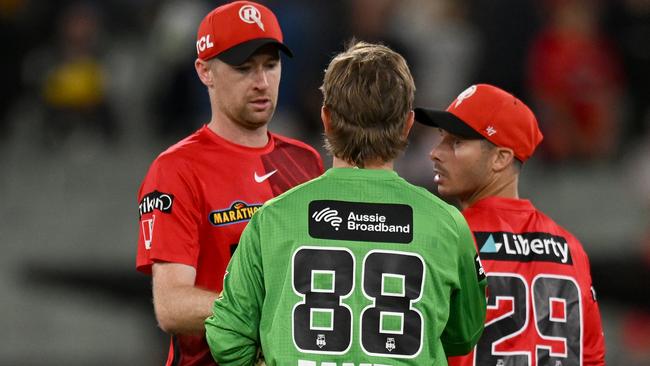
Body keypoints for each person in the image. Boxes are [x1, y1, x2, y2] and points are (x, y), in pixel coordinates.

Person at [205, 41, 487, 365]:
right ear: (408, 124)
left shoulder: (273, 218)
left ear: (326, 118)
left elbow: (226, 337)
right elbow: (463, 334)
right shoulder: (447, 223)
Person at [135, 1, 324, 365]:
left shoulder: (306, 162)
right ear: (205, 71)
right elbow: (171, 305)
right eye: (243, 68)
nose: (261, 82)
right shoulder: (176, 169)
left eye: (271, 65)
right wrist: (273, 312)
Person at [415, 84, 606, 365]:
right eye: (441, 137)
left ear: (501, 158)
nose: (435, 152)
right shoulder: (570, 247)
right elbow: (592, 358)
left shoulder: (446, 237)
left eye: (456, 142)